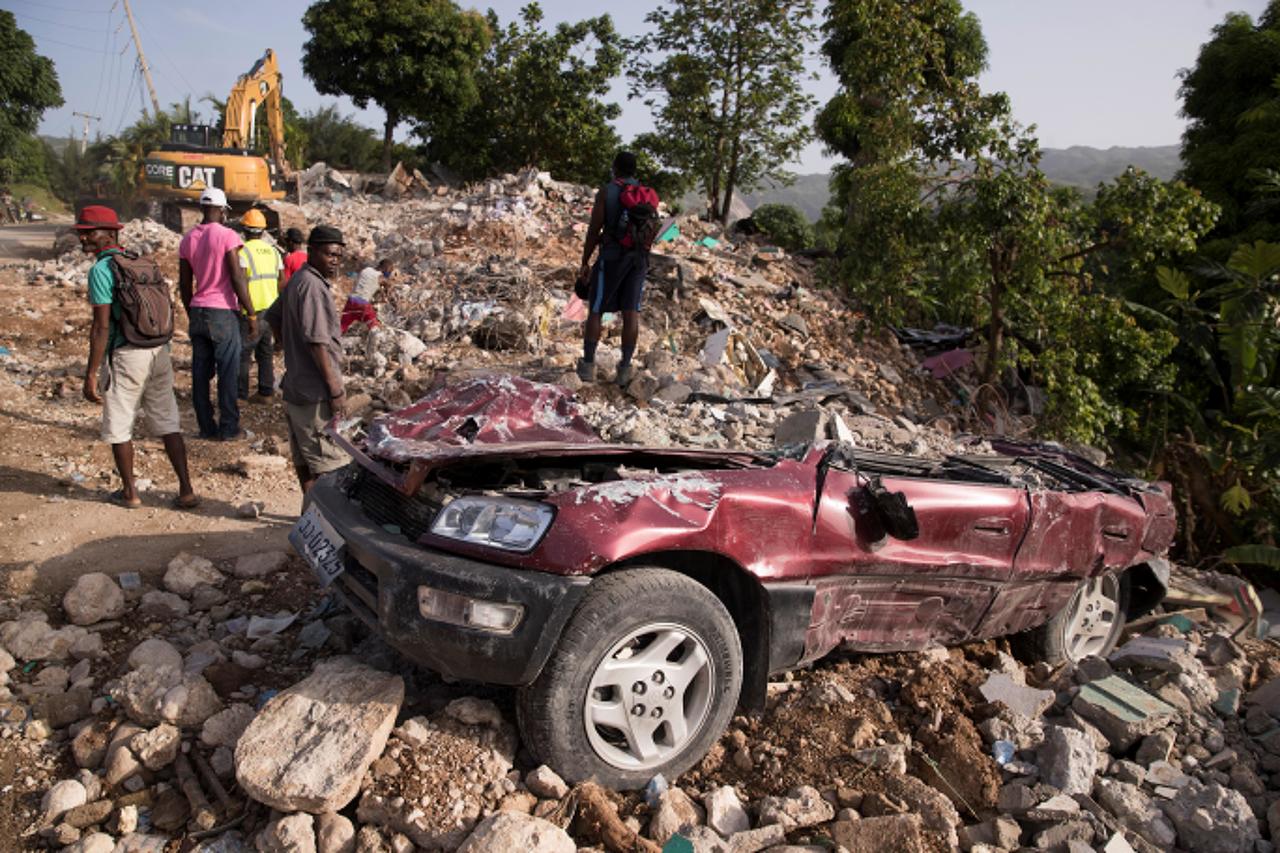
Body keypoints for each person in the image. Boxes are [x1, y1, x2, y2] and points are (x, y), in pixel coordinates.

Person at [78, 205, 198, 510]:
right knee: (168, 421)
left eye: (89, 233)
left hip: (126, 355)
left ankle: (130, 493)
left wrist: (91, 372)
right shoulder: (142, 263)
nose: (83, 240)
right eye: (82, 233)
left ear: (110, 233)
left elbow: (101, 326)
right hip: (159, 352)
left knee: (119, 425)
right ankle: (186, 489)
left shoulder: (101, 270)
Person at [265, 225, 351, 494]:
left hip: (296, 386)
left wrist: (287, 346)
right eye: (329, 254)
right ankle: (321, 521)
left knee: (304, 457)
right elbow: (317, 344)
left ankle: (309, 514)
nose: (335, 261)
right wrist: (335, 390)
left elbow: (273, 316)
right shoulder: (313, 286)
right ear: (311, 252)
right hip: (315, 392)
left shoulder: (298, 280)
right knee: (330, 465)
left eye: (338, 255)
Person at [178, 187, 254, 440]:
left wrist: (192, 312)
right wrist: (251, 313)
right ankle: (229, 429)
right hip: (223, 312)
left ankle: (205, 427)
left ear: (202, 208)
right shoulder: (227, 236)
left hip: (198, 309)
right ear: (222, 210)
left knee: (200, 374)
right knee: (227, 372)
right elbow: (236, 276)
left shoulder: (188, 239)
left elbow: (184, 284)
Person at [576, 151, 650, 387]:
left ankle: (588, 366)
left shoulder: (607, 192)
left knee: (596, 310)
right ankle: (625, 370)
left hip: (611, 257)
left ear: (615, 168)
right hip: (638, 260)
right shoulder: (645, 195)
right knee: (631, 313)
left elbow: (594, 230)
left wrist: (585, 261)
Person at [236, 209, 284, 400]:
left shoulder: (242, 251)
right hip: (271, 310)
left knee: (243, 353)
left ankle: (240, 393)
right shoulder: (273, 252)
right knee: (265, 351)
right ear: (263, 231)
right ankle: (266, 391)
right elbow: (282, 280)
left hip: (252, 310)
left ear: (245, 230)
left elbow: (239, 281)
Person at [341, 258, 391, 333]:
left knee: (341, 326)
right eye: (390, 271)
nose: (389, 273)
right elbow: (387, 284)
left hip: (351, 301)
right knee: (374, 327)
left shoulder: (366, 269)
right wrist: (386, 294)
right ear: (386, 268)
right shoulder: (380, 276)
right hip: (362, 305)